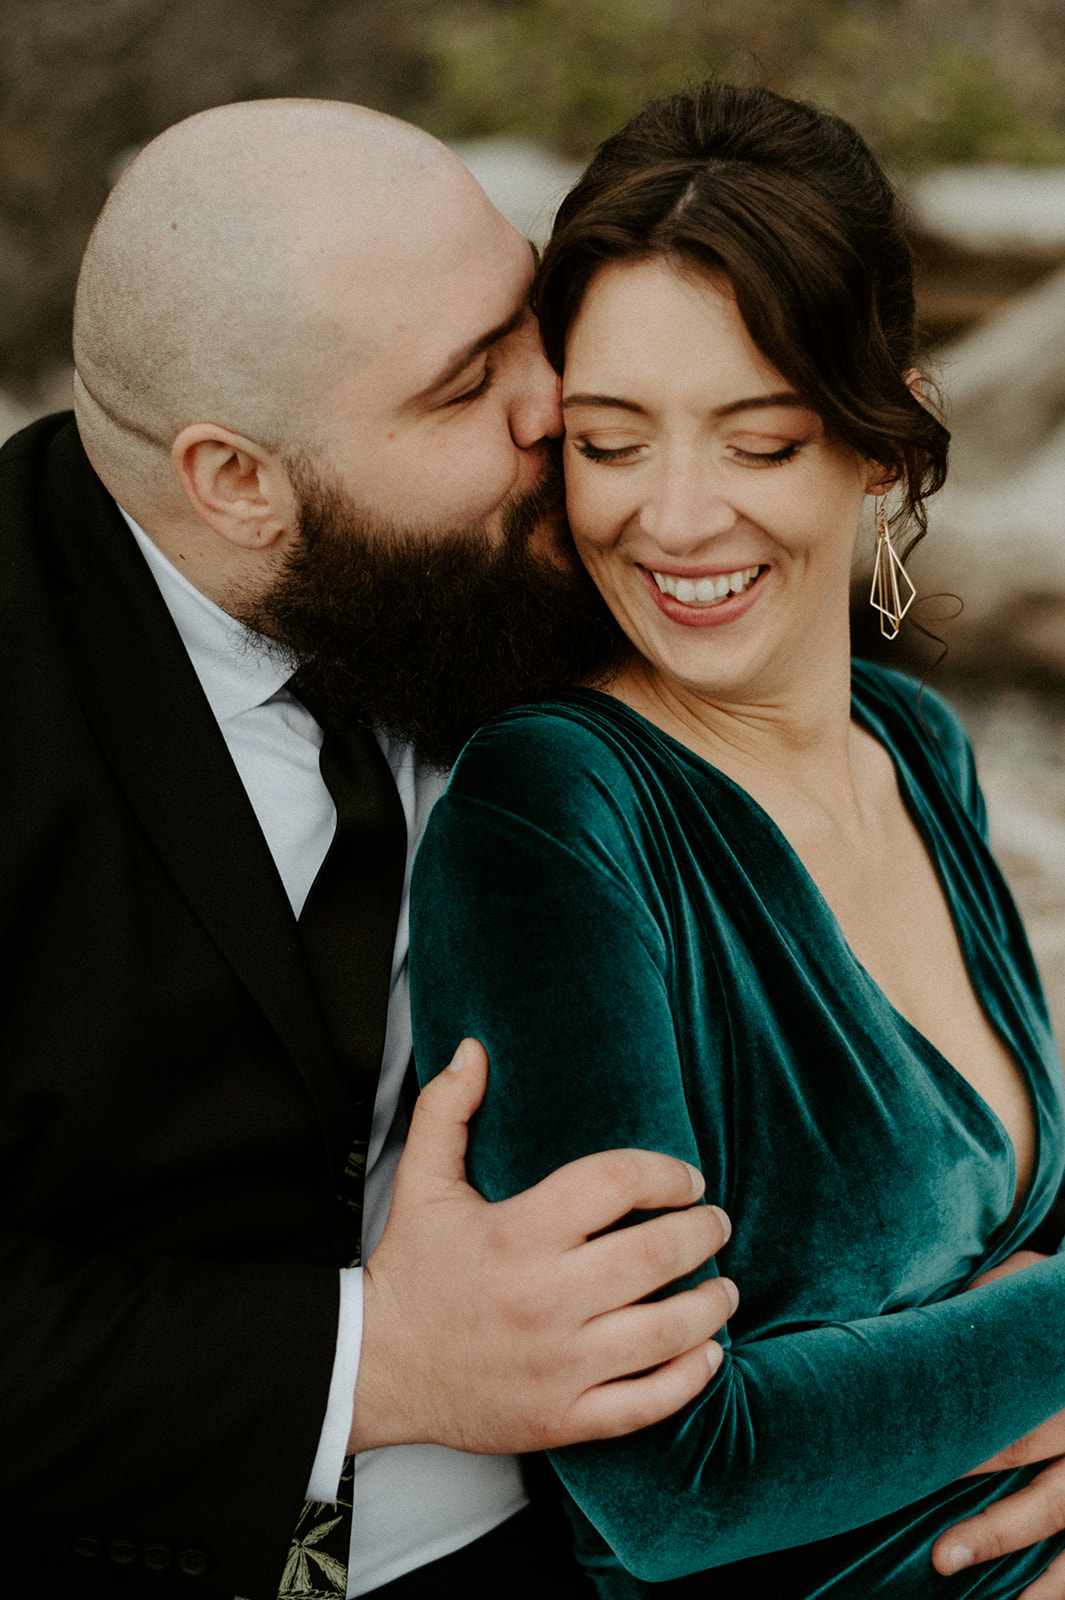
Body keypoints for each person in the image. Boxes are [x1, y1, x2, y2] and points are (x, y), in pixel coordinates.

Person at [0, 99, 739, 1600]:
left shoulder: (557, 544)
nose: (554, 402)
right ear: (237, 482)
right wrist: (375, 1359)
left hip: (581, 1543)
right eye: (468, 384)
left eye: (527, 316)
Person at [409, 80, 1065, 1598]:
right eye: (610, 441)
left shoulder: (914, 746)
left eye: (758, 440)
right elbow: (663, 1481)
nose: (676, 516)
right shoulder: (553, 807)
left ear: (880, 440)